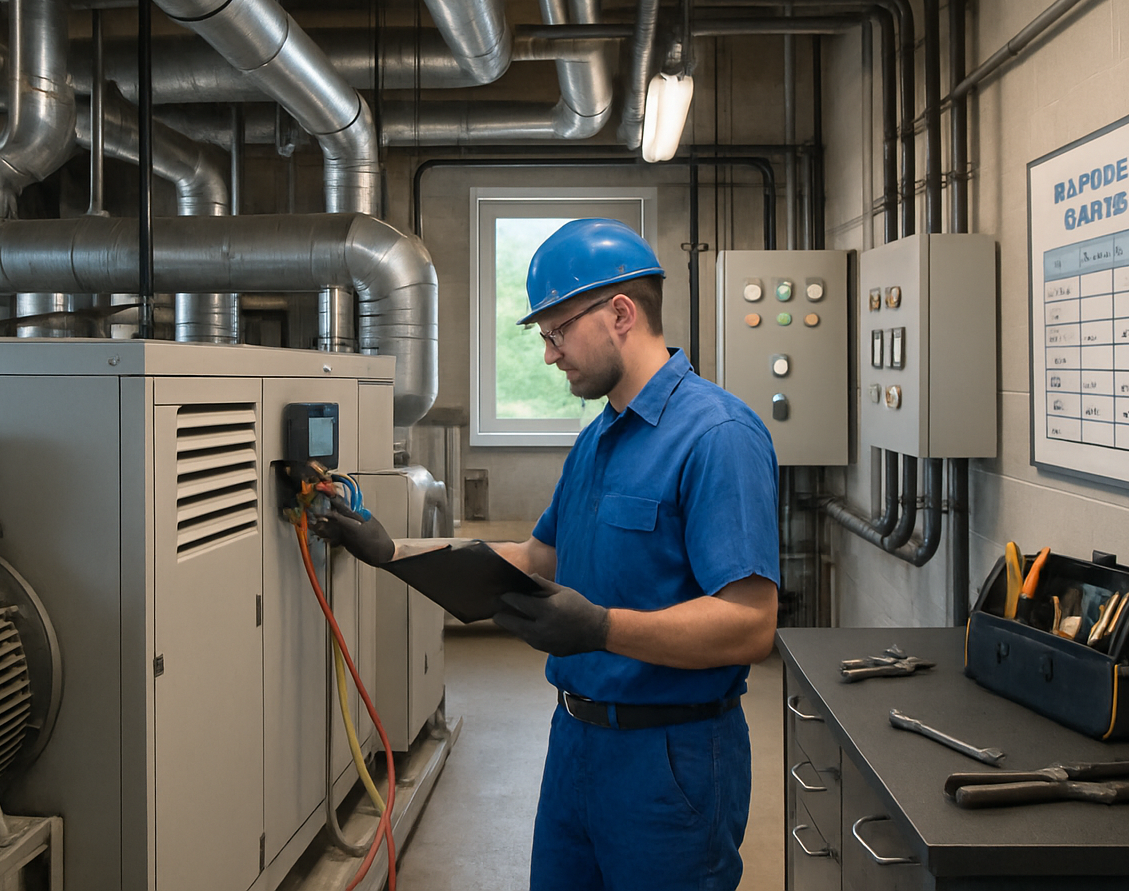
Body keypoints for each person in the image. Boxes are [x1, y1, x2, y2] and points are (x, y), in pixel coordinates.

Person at [312, 217, 779, 891]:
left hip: (670, 757)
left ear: (620, 313)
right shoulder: (599, 440)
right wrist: (395, 549)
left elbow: (751, 624)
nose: (550, 354)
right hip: (575, 745)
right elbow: (538, 555)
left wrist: (600, 628)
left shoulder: (718, 436)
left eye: (557, 331)